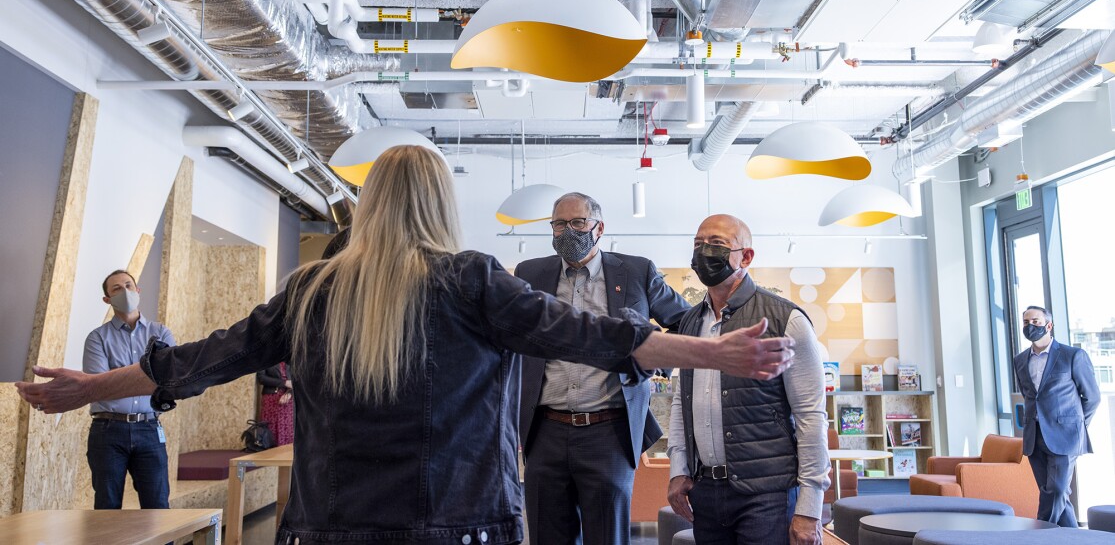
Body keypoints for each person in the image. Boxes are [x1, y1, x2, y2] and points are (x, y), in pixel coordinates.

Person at [17, 146, 795, 545]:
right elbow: (594, 337)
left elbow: (199, 360)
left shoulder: (312, 289)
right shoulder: (471, 280)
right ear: (437, 204)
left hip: (328, 526)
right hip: (459, 525)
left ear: (369, 205)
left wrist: (88, 387)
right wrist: (712, 351)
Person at [516, 192, 692, 545]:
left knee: (607, 537)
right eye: (559, 224)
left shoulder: (636, 271)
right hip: (544, 430)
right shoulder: (530, 273)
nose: (569, 231)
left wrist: (652, 362)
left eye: (578, 222)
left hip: (608, 432)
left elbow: (687, 321)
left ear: (599, 227)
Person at [667, 215, 827, 545]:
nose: (704, 252)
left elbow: (811, 418)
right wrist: (678, 469)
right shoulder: (689, 323)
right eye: (698, 244)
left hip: (766, 494)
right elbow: (682, 404)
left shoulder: (786, 320)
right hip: (705, 492)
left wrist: (810, 508)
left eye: (717, 244)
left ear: (747, 256)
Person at [83, 269, 175, 509]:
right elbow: (98, 386)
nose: (125, 291)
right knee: (107, 508)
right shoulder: (97, 338)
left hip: (149, 428)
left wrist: (118, 378)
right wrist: (147, 376)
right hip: (108, 430)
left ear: (138, 290)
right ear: (107, 300)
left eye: (128, 285)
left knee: (158, 508)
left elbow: (169, 380)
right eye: (116, 289)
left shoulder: (161, 333)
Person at [1013, 305, 1100, 527]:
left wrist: (1076, 425)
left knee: (1057, 490)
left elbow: (1092, 397)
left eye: (1035, 322)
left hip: (1065, 436)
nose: (1030, 326)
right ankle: (1075, 540)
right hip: (1034, 436)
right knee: (1055, 496)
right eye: (1026, 322)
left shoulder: (1072, 355)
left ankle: (1039, 534)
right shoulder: (1020, 360)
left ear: (1048, 325)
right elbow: (1030, 396)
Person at [257, 362, 295, 446]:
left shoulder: (291, 357)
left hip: (288, 398)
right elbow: (261, 378)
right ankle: (268, 454)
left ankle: (286, 456)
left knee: (287, 428)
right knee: (270, 427)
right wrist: (284, 383)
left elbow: (297, 379)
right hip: (270, 398)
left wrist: (290, 393)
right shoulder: (265, 357)